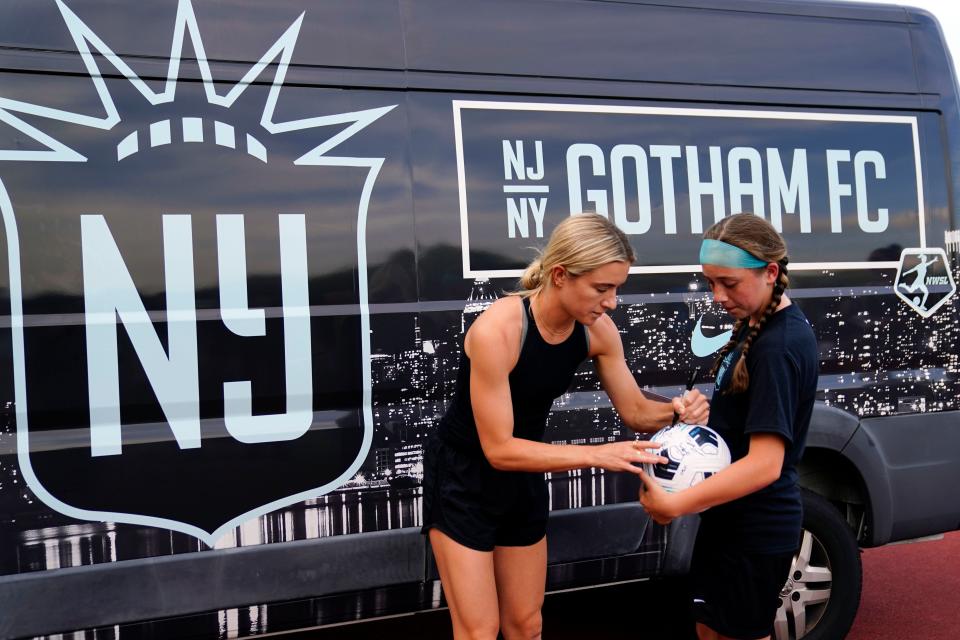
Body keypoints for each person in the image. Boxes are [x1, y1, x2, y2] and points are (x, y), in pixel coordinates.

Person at [421, 213, 710, 640]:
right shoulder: (497, 330)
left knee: (526, 624)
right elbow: (498, 449)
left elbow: (634, 410)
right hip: (465, 479)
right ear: (560, 275)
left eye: (616, 288)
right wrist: (597, 454)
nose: (611, 301)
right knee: (479, 630)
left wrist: (678, 410)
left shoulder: (597, 331)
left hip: (524, 475)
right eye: (601, 288)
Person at [639, 213, 819, 640]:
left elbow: (765, 465)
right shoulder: (755, 326)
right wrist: (698, 419)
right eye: (710, 282)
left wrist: (674, 505)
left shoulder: (778, 345)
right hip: (730, 523)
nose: (717, 296)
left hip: (757, 531)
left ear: (771, 272)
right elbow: (740, 429)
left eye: (729, 283)